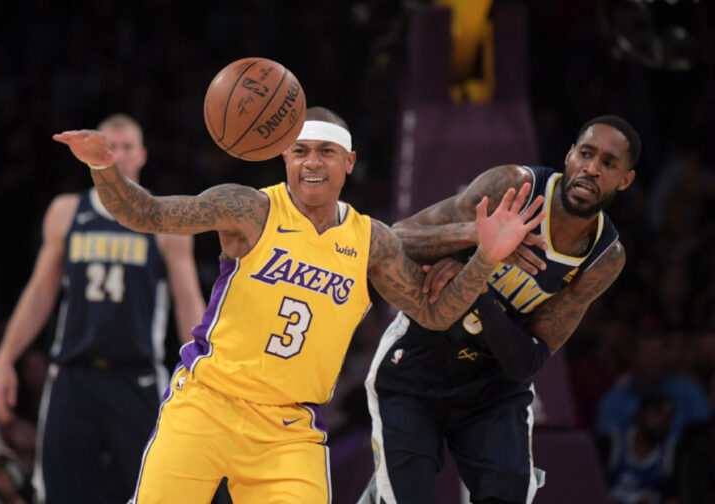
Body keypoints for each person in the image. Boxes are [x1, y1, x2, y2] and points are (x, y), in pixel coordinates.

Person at [52, 106, 546, 504]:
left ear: (349, 161)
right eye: (300, 151)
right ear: (284, 159)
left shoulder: (371, 242)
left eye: (326, 152)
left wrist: (486, 258)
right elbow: (148, 212)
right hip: (205, 405)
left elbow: (434, 313)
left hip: (287, 429)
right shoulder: (250, 209)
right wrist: (104, 167)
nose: (312, 161)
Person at [359, 115, 639, 504]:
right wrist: (477, 235)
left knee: (507, 492)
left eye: (609, 164)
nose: (592, 169)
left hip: (493, 385)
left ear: (625, 179)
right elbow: (395, 240)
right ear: (569, 155)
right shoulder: (516, 185)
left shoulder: (604, 258)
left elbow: (527, 359)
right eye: (586, 154)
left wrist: (478, 273)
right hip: (418, 362)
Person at [0, 114, 207, 504]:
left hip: (137, 377)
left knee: (152, 494)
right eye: (111, 147)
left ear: (142, 155)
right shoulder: (66, 211)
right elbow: (40, 292)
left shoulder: (168, 219)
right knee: (59, 494)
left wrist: (206, 371)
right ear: (94, 155)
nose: (118, 155)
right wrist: (6, 357)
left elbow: (189, 302)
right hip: (73, 375)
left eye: (127, 147)